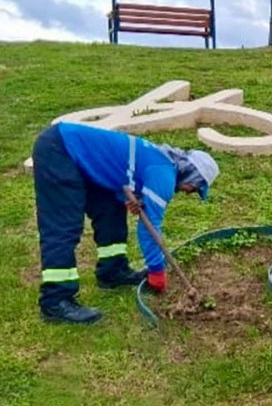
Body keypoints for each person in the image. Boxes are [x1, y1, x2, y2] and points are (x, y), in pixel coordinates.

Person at [32, 122, 219, 324]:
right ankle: (56, 300)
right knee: (63, 225)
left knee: (110, 210)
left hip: (83, 158)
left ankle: (112, 271)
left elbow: (118, 171)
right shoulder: (163, 174)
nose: (188, 191)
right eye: (195, 187)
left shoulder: (162, 161)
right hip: (61, 149)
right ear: (192, 173)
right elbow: (149, 230)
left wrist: (135, 199)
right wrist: (157, 270)